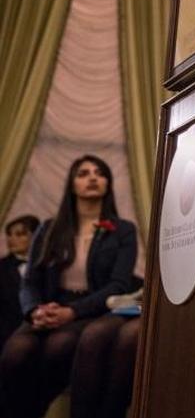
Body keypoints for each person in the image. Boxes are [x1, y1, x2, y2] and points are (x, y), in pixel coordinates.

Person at [0, 155, 138, 418]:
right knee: (14, 353)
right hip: (49, 307)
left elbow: (118, 285)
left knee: (59, 346)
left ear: (108, 183)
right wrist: (33, 312)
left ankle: (33, 409)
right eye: (83, 173)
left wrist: (72, 312)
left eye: (99, 173)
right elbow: (29, 281)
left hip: (93, 307)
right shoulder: (49, 228)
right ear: (72, 184)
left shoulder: (123, 230)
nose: (92, 178)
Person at [1, 215, 41, 345]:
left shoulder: (50, 264)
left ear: (36, 235)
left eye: (20, 234)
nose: (12, 239)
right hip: (8, 333)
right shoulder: (2, 267)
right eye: (9, 234)